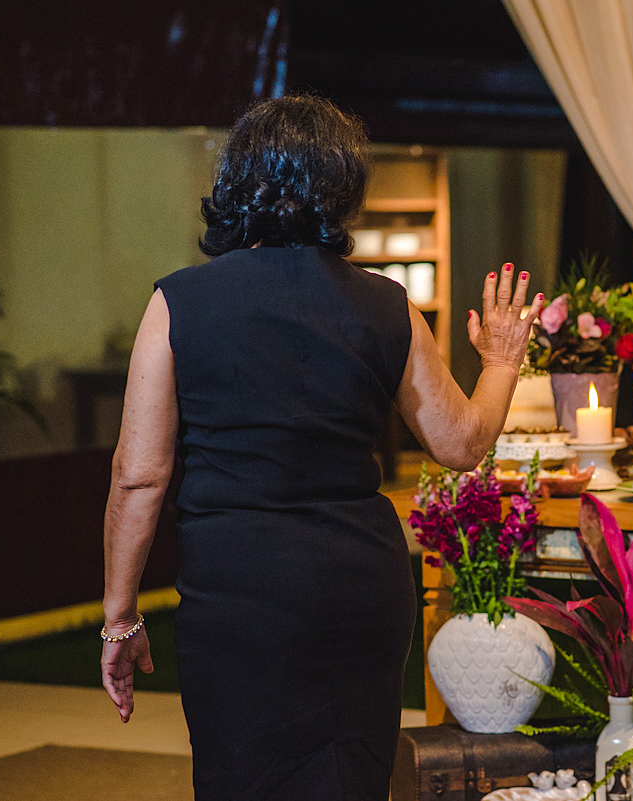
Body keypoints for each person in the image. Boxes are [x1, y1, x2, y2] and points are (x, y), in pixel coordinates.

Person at [100, 95, 543, 801]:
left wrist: (119, 617)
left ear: (237, 180)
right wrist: (500, 362)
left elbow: (139, 476)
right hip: (358, 586)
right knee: (350, 777)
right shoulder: (387, 304)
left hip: (240, 591)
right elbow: (462, 443)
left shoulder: (178, 302)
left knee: (241, 778)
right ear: (344, 190)